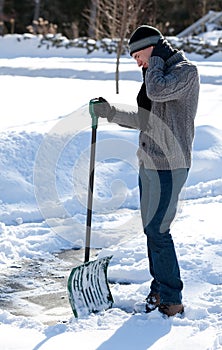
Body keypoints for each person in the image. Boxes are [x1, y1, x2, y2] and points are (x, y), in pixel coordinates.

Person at [92, 25, 200, 317]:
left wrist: (153, 63)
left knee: (158, 229)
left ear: (152, 48)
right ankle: (159, 289)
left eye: (138, 55)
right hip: (149, 163)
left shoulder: (184, 72)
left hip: (171, 165)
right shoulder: (157, 71)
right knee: (151, 231)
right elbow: (146, 119)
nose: (138, 63)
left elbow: (158, 91)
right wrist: (110, 112)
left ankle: (172, 298)